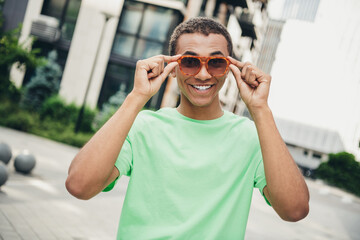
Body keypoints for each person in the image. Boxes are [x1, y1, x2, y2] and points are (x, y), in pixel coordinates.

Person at [66, 17, 309, 239]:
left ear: (229, 69)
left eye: (215, 62)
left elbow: (295, 209)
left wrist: (261, 109)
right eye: (190, 62)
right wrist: (137, 96)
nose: (203, 74)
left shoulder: (251, 137)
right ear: (173, 68)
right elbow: (79, 185)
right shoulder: (143, 127)